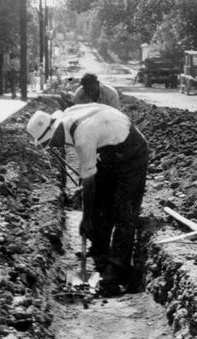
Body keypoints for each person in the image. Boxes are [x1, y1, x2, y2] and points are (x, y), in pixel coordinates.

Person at [26, 103, 149, 293]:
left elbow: (88, 184)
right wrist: (90, 215)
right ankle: (100, 250)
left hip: (132, 150)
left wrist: (87, 217)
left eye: (51, 142)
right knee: (102, 200)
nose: (54, 146)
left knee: (125, 210)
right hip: (110, 149)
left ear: (56, 131)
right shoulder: (69, 117)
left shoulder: (83, 137)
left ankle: (117, 267)